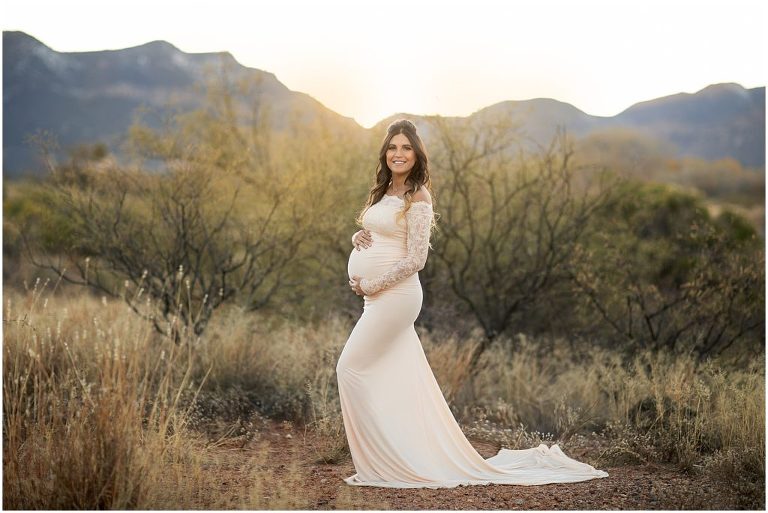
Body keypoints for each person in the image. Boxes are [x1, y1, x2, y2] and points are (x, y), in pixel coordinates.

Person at [337, 118, 609, 488]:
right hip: (376, 297)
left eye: (406, 148)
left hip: (396, 297)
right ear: (385, 153)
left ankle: (385, 464)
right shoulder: (384, 190)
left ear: (417, 155)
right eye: (392, 147)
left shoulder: (418, 196)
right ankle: (395, 457)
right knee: (393, 378)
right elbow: (381, 233)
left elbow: (417, 258)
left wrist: (371, 283)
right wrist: (359, 236)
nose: (398, 154)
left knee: (350, 369)